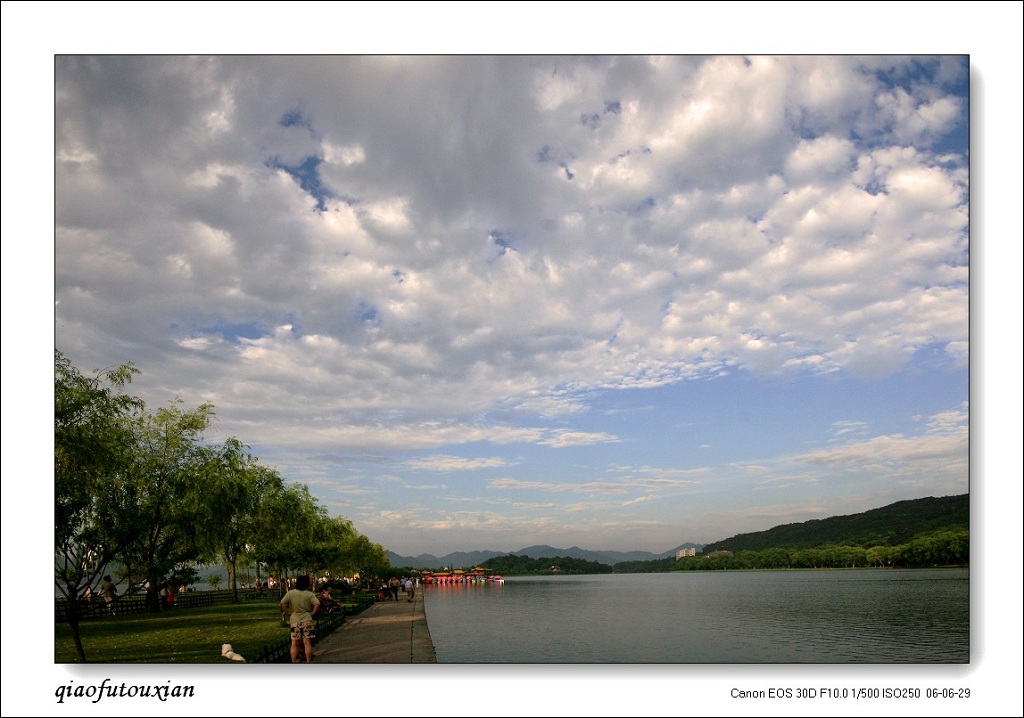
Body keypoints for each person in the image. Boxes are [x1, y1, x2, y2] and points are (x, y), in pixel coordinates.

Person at [279, 575, 320, 663]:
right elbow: (317, 604)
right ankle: (308, 661)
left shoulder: (291, 593)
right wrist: (312, 613)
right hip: (307, 620)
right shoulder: (309, 594)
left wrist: (288, 612)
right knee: (307, 643)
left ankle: (293, 661)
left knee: (294, 643)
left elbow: (282, 603)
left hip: (294, 621)